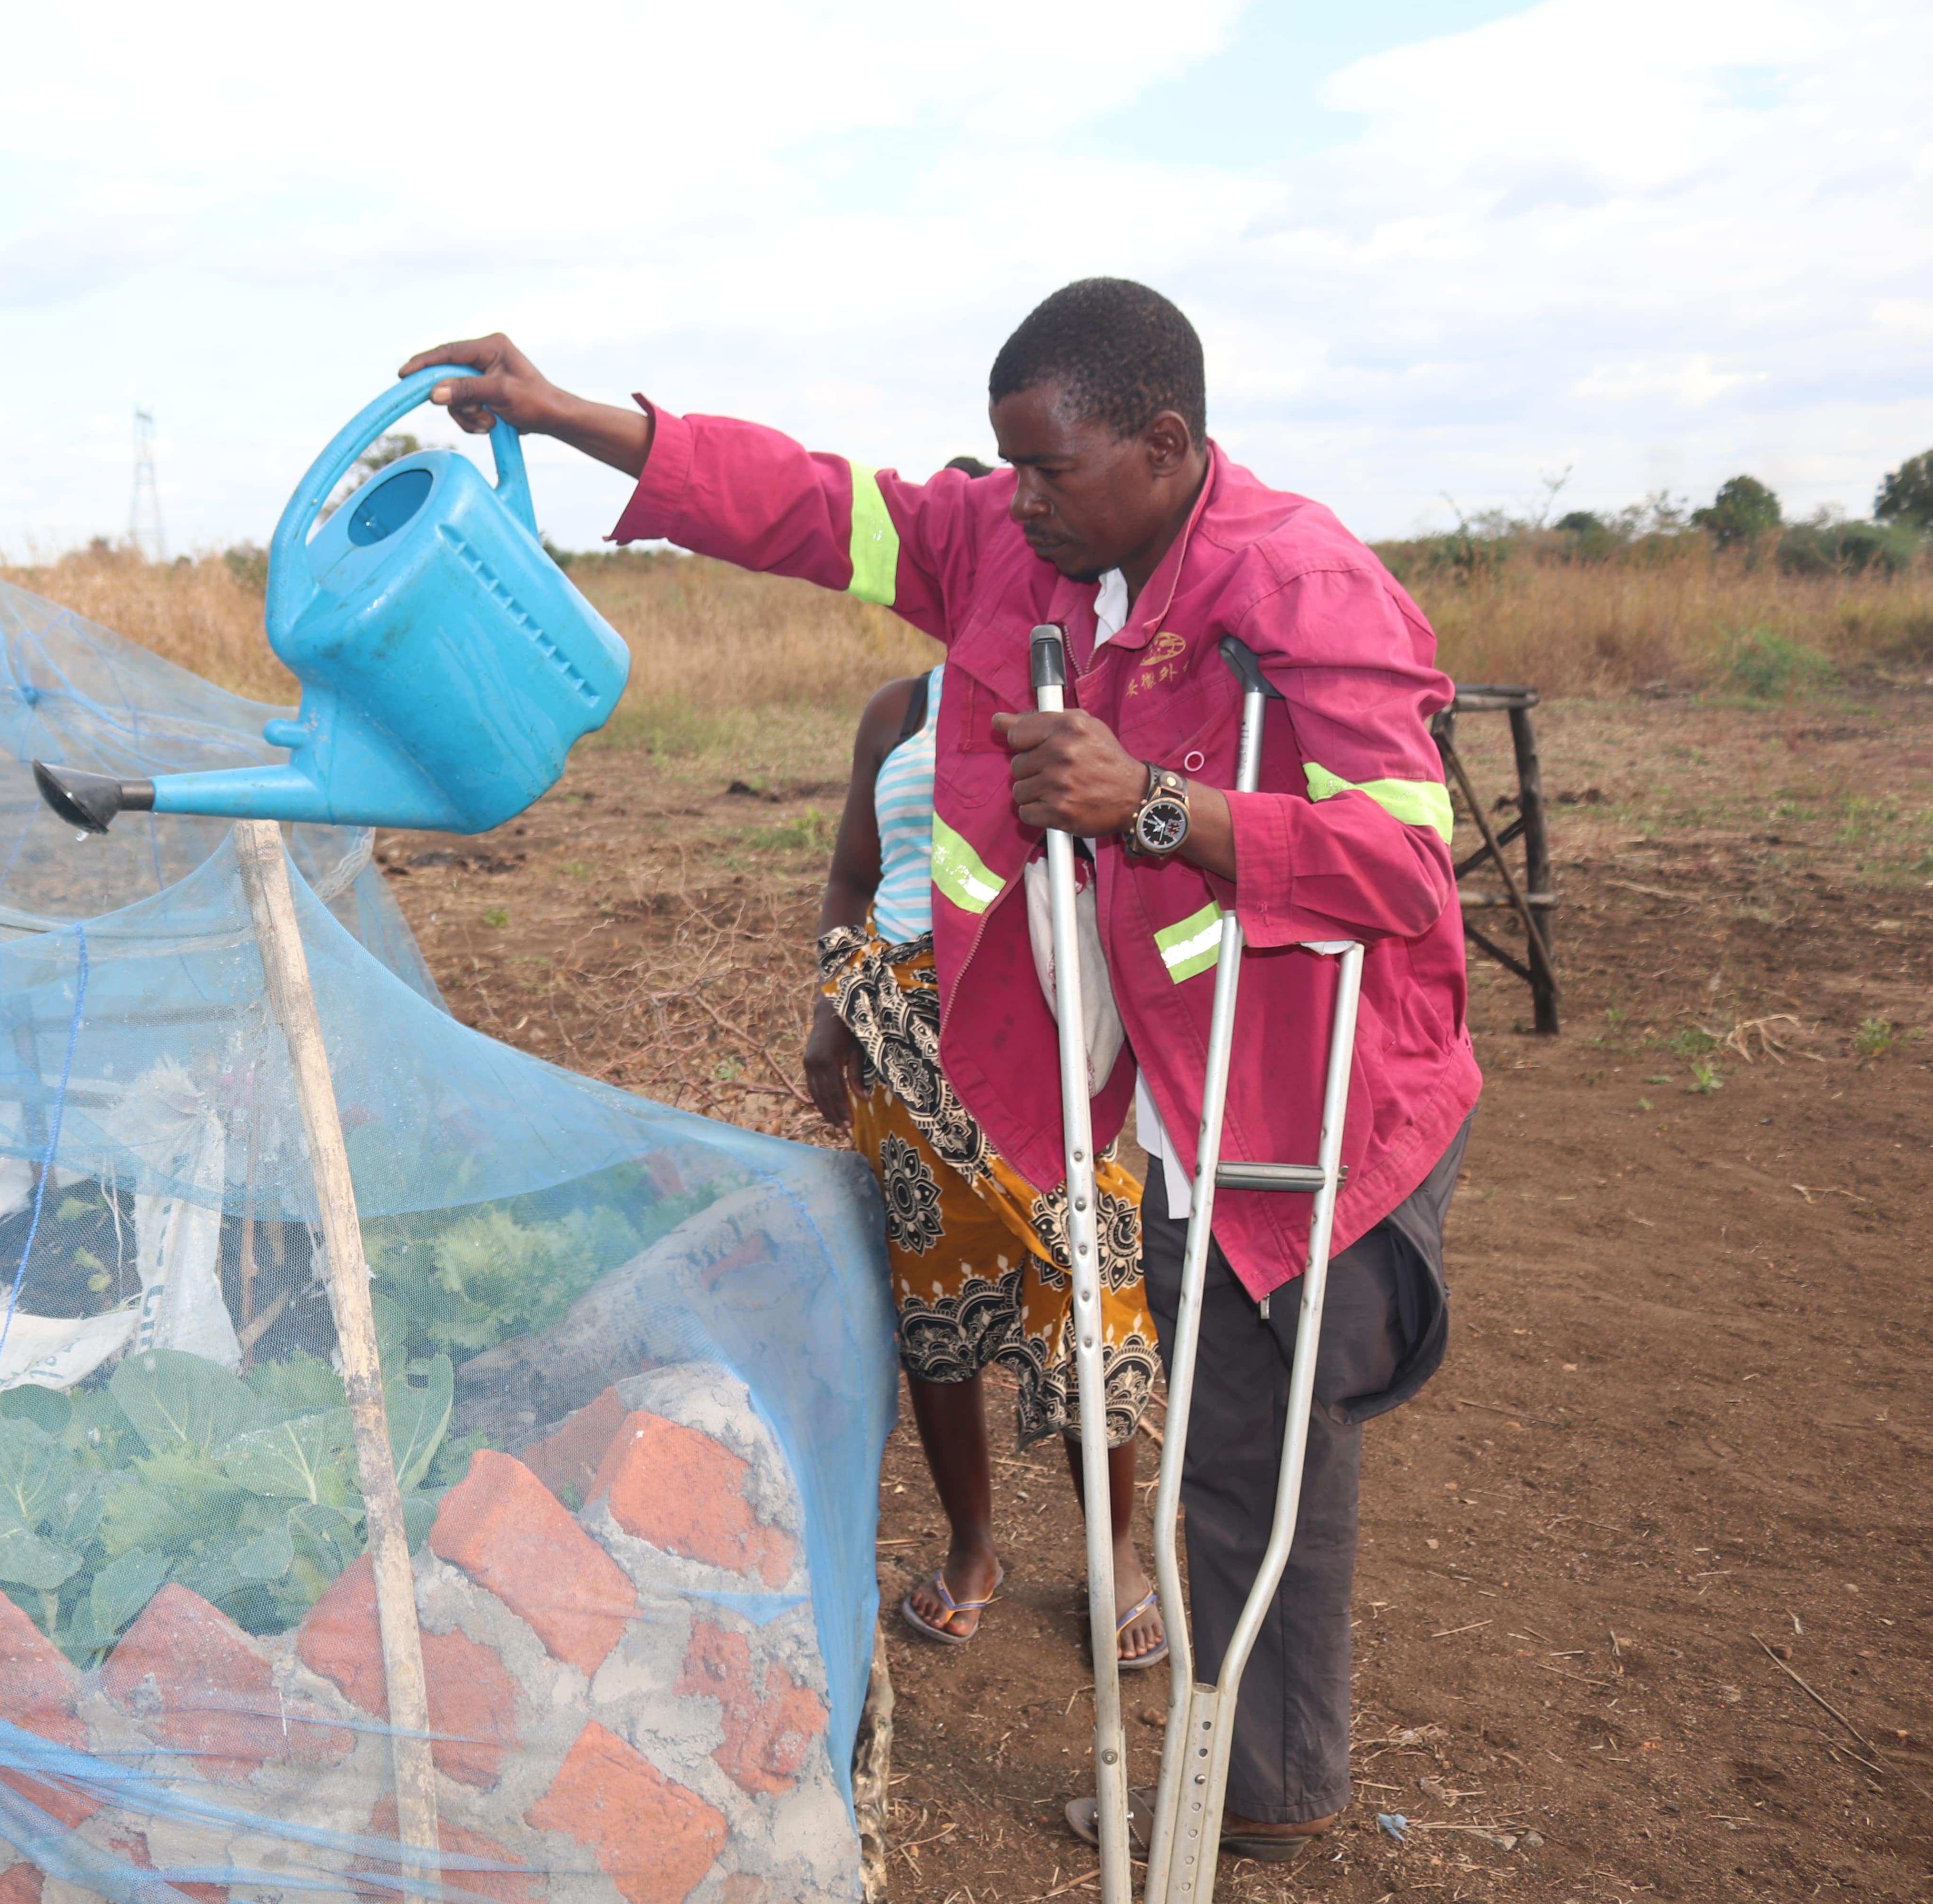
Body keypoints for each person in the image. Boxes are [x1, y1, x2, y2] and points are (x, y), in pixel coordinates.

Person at [399, 279, 1478, 1860]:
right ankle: (1253, 1760)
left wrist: (1157, 807)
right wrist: (573, 419)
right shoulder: (1011, 547)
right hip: (1151, 1105)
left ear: (1166, 446)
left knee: (1257, 1454)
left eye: (1049, 467)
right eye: (1006, 465)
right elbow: (812, 508)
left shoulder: (1305, 585)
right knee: (1216, 1433)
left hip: (1303, 1099)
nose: (1014, 497)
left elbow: (1408, 868)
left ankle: (1260, 1788)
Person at [804, 665, 1165, 1666]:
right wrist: (835, 1008)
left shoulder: (1089, 693)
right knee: (934, 1305)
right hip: (900, 1037)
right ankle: (973, 1546)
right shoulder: (898, 710)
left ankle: (1117, 1551)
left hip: (1034, 1023)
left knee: (1092, 1281)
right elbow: (854, 877)